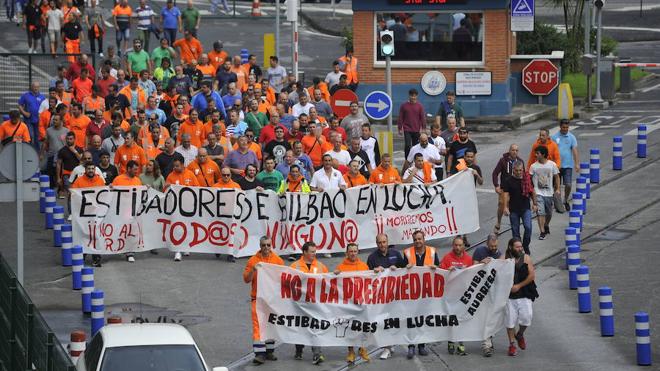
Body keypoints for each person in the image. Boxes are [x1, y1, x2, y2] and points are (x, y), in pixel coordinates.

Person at [244, 236, 284, 364]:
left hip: (272, 299)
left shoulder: (278, 260)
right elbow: (246, 279)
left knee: (271, 323)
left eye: (268, 245)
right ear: (260, 246)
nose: (266, 247)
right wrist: (253, 270)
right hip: (257, 299)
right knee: (258, 326)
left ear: (271, 246)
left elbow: (283, 278)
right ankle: (260, 353)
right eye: (263, 245)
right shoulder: (252, 261)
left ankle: (269, 351)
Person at [367, 233, 407, 359]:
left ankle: (390, 344)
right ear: (376, 243)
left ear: (388, 242)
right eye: (379, 243)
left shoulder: (396, 254)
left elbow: (405, 270)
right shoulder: (372, 258)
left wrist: (398, 269)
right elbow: (367, 276)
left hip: (395, 294)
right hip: (380, 296)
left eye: (384, 242)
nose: (382, 245)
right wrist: (374, 271)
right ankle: (386, 347)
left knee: (394, 320)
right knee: (381, 321)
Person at [290, 242, 327, 364]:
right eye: (312, 252)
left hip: (315, 304)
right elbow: (287, 281)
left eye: (315, 251)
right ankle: (299, 350)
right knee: (300, 327)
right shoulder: (295, 266)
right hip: (299, 304)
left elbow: (328, 281)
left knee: (315, 328)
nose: (314, 254)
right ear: (304, 252)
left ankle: (317, 354)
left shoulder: (321, 266)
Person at [333, 243, 371, 364]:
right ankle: (351, 351)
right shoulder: (340, 268)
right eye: (351, 251)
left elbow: (370, 283)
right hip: (348, 304)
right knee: (349, 327)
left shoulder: (364, 267)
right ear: (346, 253)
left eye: (355, 251)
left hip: (361, 302)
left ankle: (362, 348)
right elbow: (334, 285)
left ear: (358, 252)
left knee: (363, 327)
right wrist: (333, 276)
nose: (353, 253)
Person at [440, 236, 473, 356]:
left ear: (464, 246)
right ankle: (451, 340)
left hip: (463, 295)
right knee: (451, 319)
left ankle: (461, 342)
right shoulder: (447, 258)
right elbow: (441, 274)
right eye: (456, 245)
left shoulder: (468, 259)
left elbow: (472, 275)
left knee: (462, 319)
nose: (458, 247)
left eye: (460, 245)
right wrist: (447, 270)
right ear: (453, 246)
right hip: (450, 295)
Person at [470, 233, 503, 357]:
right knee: (486, 317)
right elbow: (472, 268)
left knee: (492, 317)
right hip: (480, 291)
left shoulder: (499, 254)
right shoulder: (479, 251)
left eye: (495, 246)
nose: (494, 248)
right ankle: (486, 344)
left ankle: (488, 338)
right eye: (491, 246)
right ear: (487, 244)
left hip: (493, 291)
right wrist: (481, 263)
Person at [505, 237, 538, 357]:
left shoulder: (526, 258)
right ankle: (512, 344)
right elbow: (494, 265)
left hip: (524, 293)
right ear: (511, 247)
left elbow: (532, 275)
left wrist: (519, 286)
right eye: (517, 247)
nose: (520, 249)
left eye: (521, 247)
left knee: (527, 318)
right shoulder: (505, 258)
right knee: (510, 322)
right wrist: (486, 261)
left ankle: (520, 335)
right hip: (509, 297)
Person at [529, 146, 560, 240]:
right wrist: (531, 191)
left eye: (538, 153)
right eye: (536, 153)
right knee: (540, 212)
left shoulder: (552, 165)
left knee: (549, 213)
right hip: (538, 193)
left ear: (543, 154)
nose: (536, 155)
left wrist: (557, 189)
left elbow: (557, 177)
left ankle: (546, 225)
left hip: (549, 193)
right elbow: (529, 179)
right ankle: (542, 232)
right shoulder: (533, 166)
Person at [551, 119, 579, 211]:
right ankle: (557, 203)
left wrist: (576, 163)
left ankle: (565, 200)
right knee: (556, 186)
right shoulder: (554, 137)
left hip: (568, 166)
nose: (565, 129)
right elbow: (551, 151)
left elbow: (575, 151)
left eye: (567, 127)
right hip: (556, 166)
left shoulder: (571, 137)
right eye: (564, 127)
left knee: (568, 185)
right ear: (560, 127)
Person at [492, 144, 520, 233]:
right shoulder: (503, 161)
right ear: (509, 150)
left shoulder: (520, 161)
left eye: (516, 150)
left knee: (514, 207)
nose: (514, 152)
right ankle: (498, 222)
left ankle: (514, 224)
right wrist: (496, 185)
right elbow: (495, 173)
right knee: (501, 204)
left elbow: (523, 174)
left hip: (516, 188)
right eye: (513, 150)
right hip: (505, 188)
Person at [398, 89, 426, 159]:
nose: (413, 97)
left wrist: (424, 128)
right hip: (407, 129)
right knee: (407, 145)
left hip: (416, 129)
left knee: (416, 146)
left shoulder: (419, 106)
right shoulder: (404, 106)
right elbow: (401, 117)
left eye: (414, 96)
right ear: (409, 96)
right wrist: (399, 128)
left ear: (417, 96)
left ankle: (415, 159)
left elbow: (422, 117)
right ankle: (407, 159)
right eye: (411, 96)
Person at [18, 82, 45, 150]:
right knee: (30, 136)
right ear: (31, 87)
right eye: (34, 87)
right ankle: (28, 150)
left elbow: (45, 108)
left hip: (38, 120)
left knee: (37, 137)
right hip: (28, 120)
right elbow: (20, 105)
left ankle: (37, 151)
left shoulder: (42, 97)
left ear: (39, 88)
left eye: (37, 87)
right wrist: (24, 113)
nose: (36, 88)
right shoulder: (26, 95)